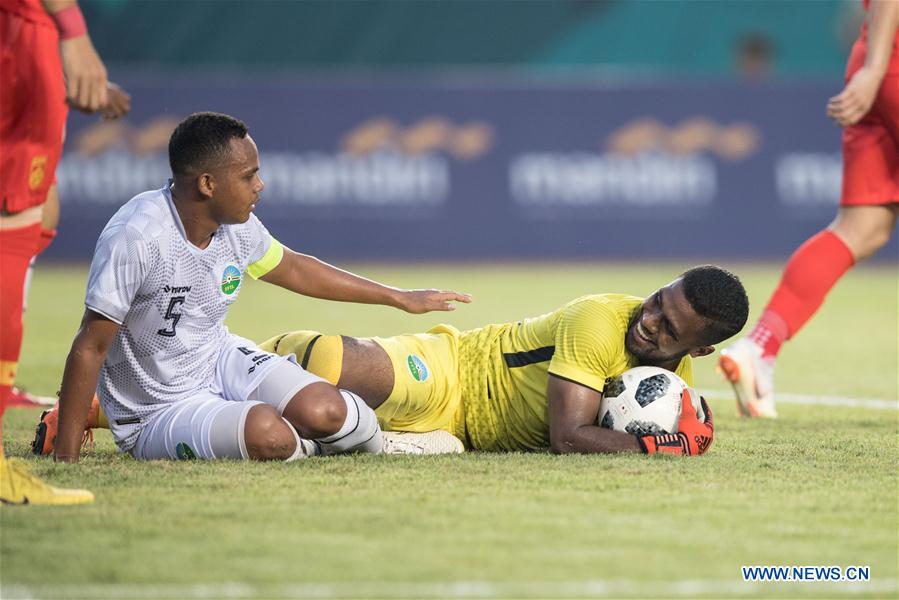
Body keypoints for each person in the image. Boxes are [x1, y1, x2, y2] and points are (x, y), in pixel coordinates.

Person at [46, 112, 470, 476]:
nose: (260, 185)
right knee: (268, 433)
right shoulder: (137, 237)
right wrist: (65, 462)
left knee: (327, 410)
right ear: (208, 183)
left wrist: (398, 297)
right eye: (248, 175)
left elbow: (295, 268)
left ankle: (383, 444)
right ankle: (312, 444)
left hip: (218, 358)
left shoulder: (237, 226)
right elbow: (89, 346)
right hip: (154, 411)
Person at [38, 265, 748, 457]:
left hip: (462, 439)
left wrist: (665, 435)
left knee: (307, 435)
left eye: (668, 326)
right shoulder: (603, 319)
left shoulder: (670, 378)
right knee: (324, 364)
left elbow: (642, 421)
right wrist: (652, 449)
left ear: (700, 349)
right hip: (456, 374)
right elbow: (569, 438)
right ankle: (102, 406)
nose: (647, 321)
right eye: (657, 302)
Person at [719, 0, 899, 418]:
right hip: (881, 63)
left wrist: (873, 68)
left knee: (863, 227)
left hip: (875, 56)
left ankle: (759, 345)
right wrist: (876, 71)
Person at [1, 0, 130, 505]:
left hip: (31, 32)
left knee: (36, 214)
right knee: (16, 222)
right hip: (25, 24)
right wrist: (72, 33)